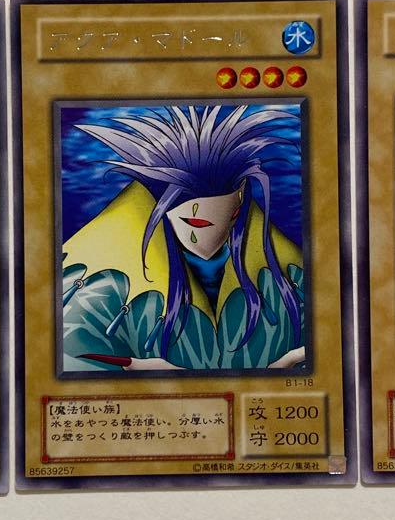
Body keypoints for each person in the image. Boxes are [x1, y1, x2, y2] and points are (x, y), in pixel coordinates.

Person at [61, 104, 306, 372]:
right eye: (189, 219)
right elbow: (70, 357)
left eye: (226, 215)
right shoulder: (97, 283)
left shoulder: (289, 278)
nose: (200, 223)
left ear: (238, 205)